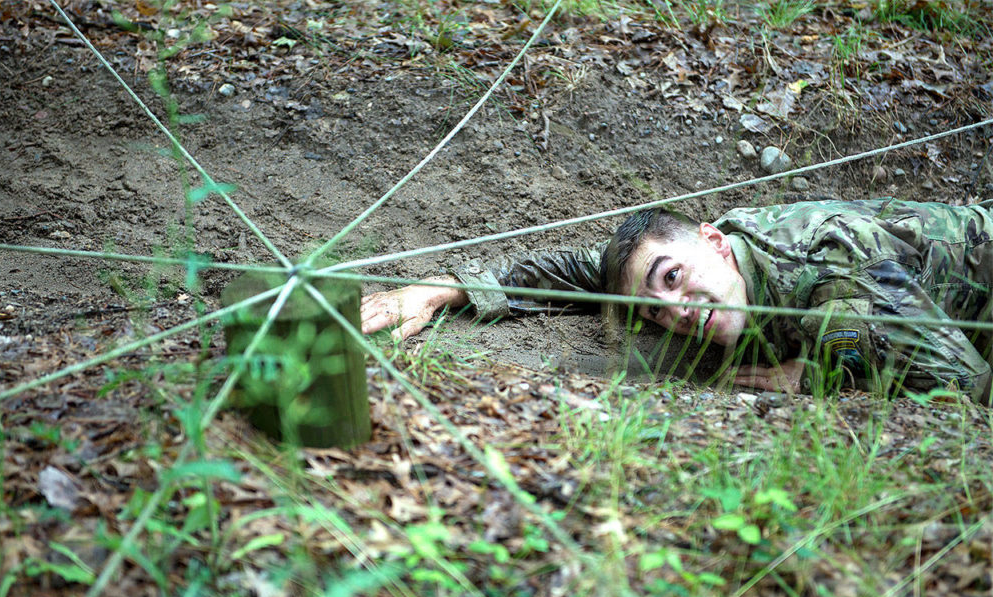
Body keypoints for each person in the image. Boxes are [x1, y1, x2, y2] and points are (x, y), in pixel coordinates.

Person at [361, 198, 992, 404]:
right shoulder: (687, 264)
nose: (676, 311)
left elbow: (969, 384)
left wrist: (823, 377)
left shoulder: (832, 273)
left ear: (715, 244)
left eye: (670, 281)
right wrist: (437, 291)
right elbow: (572, 272)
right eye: (655, 309)